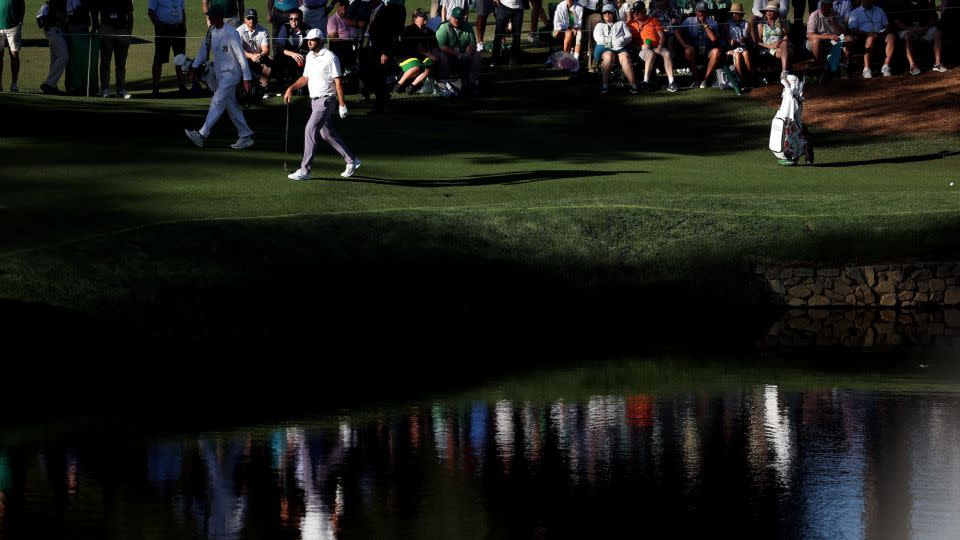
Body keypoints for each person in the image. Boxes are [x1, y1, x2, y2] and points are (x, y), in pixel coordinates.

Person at [284, 28, 361, 180]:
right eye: (308, 40)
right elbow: (305, 78)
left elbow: (338, 82)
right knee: (326, 134)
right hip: (315, 100)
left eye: (312, 40)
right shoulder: (310, 57)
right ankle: (352, 160)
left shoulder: (330, 57)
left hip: (326, 100)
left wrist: (342, 105)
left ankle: (305, 170)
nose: (309, 42)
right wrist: (291, 88)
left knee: (310, 129)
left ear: (320, 41)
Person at [184, 5, 255, 149]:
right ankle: (245, 135)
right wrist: (194, 66)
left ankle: (202, 134)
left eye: (212, 17)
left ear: (219, 17)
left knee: (216, 103)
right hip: (220, 75)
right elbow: (204, 49)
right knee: (231, 105)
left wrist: (247, 78)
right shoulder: (211, 31)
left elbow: (241, 57)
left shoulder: (231, 33)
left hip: (232, 75)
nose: (209, 19)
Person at [628, 2, 677, 91]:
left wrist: (659, 47)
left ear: (644, 11)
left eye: (638, 11)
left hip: (656, 46)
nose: (635, 13)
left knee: (667, 53)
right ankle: (646, 82)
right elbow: (628, 41)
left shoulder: (653, 20)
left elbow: (662, 36)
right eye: (634, 11)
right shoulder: (630, 24)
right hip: (642, 49)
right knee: (650, 53)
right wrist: (640, 47)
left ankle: (671, 82)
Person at [593, 3, 637, 94]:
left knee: (625, 57)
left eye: (610, 13)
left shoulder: (621, 23)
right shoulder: (599, 25)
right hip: (605, 48)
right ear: (602, 15)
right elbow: (598, 38)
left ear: (614, 13)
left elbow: (629, 36)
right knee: (608, 56)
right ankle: (605, 86)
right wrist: (613, 42)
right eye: (605, 13)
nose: (607, 15)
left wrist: (621, 40)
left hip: (620, 47)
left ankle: (633, 86)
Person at [893, 0, 946, 74]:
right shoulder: (901, 4)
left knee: (938, 33)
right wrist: (910, 28)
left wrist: (925, 27)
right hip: (907, 30)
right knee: (908, 36)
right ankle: (912, 66)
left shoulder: (926, 3)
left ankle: (937, 63)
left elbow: (933, 19)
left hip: (924, 29)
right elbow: (897, 22)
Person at [436, 7, 480, 91]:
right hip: (449, 54)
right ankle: (445, 79)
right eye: (455, 18)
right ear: (451, 17)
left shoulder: (468, 26)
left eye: (459, 18)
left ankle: (473, 81)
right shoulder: (444, 27)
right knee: (442, 56)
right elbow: (441, 46)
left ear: (463, 18)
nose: (456, 20)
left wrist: (470, 48)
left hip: (464, 53)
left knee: (477, 55)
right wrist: (457, 54)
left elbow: (473, 42)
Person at [149, 0, 188, 96]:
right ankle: (155, 88)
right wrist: (158, 26)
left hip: (178, 29)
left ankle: (182, 86)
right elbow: (151, 12)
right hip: (163, 29)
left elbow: (182, 11)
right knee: (158, 59)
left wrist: (183, 26)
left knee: (180, 58)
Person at [847, 0, 895, 78]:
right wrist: (867, 33)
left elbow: (887, 26)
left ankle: (886, 66)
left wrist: (882, 32)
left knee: (891, 37)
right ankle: (866, 69)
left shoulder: (879, 10)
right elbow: (852, 29)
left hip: (880, 34)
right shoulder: (855, 12)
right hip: (863, 36)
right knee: (870, 38)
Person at [395, 8, 438, 93]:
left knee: (428, 67)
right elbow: (419, 47)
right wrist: (431, 55)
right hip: (406, 56)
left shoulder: (429, 31)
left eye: (425, 16)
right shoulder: (409, 30)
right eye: (422, 16)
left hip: (421, 57)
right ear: (415, 19)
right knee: (416, 67)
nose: (425, 17)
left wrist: (435, 56)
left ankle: (411, 87)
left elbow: (435, 45)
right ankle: (398, 85)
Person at [98, 0, 133, 98]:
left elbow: (130, 14)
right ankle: (104, 89)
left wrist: (129, 33)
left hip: (122, 30)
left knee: (121, 63)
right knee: (105, 61)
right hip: (106, 29)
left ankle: (121, 89)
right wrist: (98, 27)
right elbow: (95, 11)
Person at [679, 1, 720, 87]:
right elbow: (677, 32)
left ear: (707, 12)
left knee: (716, 52)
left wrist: (704, 24)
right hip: (694, 50)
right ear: (696, 12)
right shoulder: (689, 21)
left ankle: (705, 80)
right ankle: (696, 79)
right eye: (699, 11)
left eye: (703, 11)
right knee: (687, 50)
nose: (701, 13)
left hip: (707, 50)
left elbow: (713, 39)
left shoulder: (713, 23)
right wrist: (684, 45)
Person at [805, 0, 848, 77]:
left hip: (833, 40)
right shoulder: (814, 15)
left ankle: (843, 66)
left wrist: (834, 23)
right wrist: (828, 36)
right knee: (816, 41)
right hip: (818, 41)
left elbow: (844, 33)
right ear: (821, 6)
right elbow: (809, 35)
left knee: (849, 38)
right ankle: (819, 67)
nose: (827, 9)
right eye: (825, 7)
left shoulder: (836, 15)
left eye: (829, 7)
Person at [238, 8, 272, 88]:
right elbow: (238, 51)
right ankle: (246, 86)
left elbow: (266, 49)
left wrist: (261, 55)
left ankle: (262, 87)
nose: (251, 21)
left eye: (253, 18)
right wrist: (251, 56)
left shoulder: (263, 31)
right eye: (249, 18)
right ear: (244, 19)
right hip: (244, 58)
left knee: (269, 62)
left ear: (257, 19)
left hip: (259, 57)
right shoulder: (239, 31)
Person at [38, 0, 68, 94]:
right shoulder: (48, 5)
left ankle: (51, 86)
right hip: (53, 31)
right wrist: (53, 20)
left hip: (55, 31)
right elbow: (40, 21)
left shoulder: (49, 5)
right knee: (63, 56)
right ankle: (49, 84)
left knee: (55, 58)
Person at [275, 7, 310, 84]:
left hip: (304, 54)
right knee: (279, 58)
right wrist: (292, 54)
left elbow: (312, 46)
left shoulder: (307, 28)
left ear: (301, 19)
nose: (293, 21)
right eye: (291, 19)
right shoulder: (285, 27)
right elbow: (280, 47)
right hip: (289, 54)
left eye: (296, 19)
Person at [757, 0, 791, 78]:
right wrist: (770, 46)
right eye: (768, 11)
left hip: (782, 46)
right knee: (785, 52)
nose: (769, 12)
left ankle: (784, 72)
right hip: (769, 48)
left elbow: (786, 37)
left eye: (772, 11)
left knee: (785, 45)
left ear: (776, 13)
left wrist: (781, 42)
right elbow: (758, 42)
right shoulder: (761, 25)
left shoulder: (782, 23)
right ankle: (786, 73)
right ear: (765, 12)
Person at [726, 2, 754, 85]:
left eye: (737, 14)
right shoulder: (727, 24)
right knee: (737, 54)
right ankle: (741, 81)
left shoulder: (747, 24)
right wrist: (731, 41)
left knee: (746, 53)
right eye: (733, 13)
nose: (734, 15)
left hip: (743, 47)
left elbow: (751, 39)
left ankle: (751, 79)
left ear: (741, 14)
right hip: (730, 48)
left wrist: (745, 39)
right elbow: (725, 39)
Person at [492, 0, 524, 66]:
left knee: (516, 36)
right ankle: (494, 59)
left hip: (518, 8)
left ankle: (514, 59)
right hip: (503, 7)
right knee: (498, 35)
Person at [0, 0, 23, 92]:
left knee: (14, 54)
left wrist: (20, 21)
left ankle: (14, 84)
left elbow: (21, 4)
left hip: (13, 26)